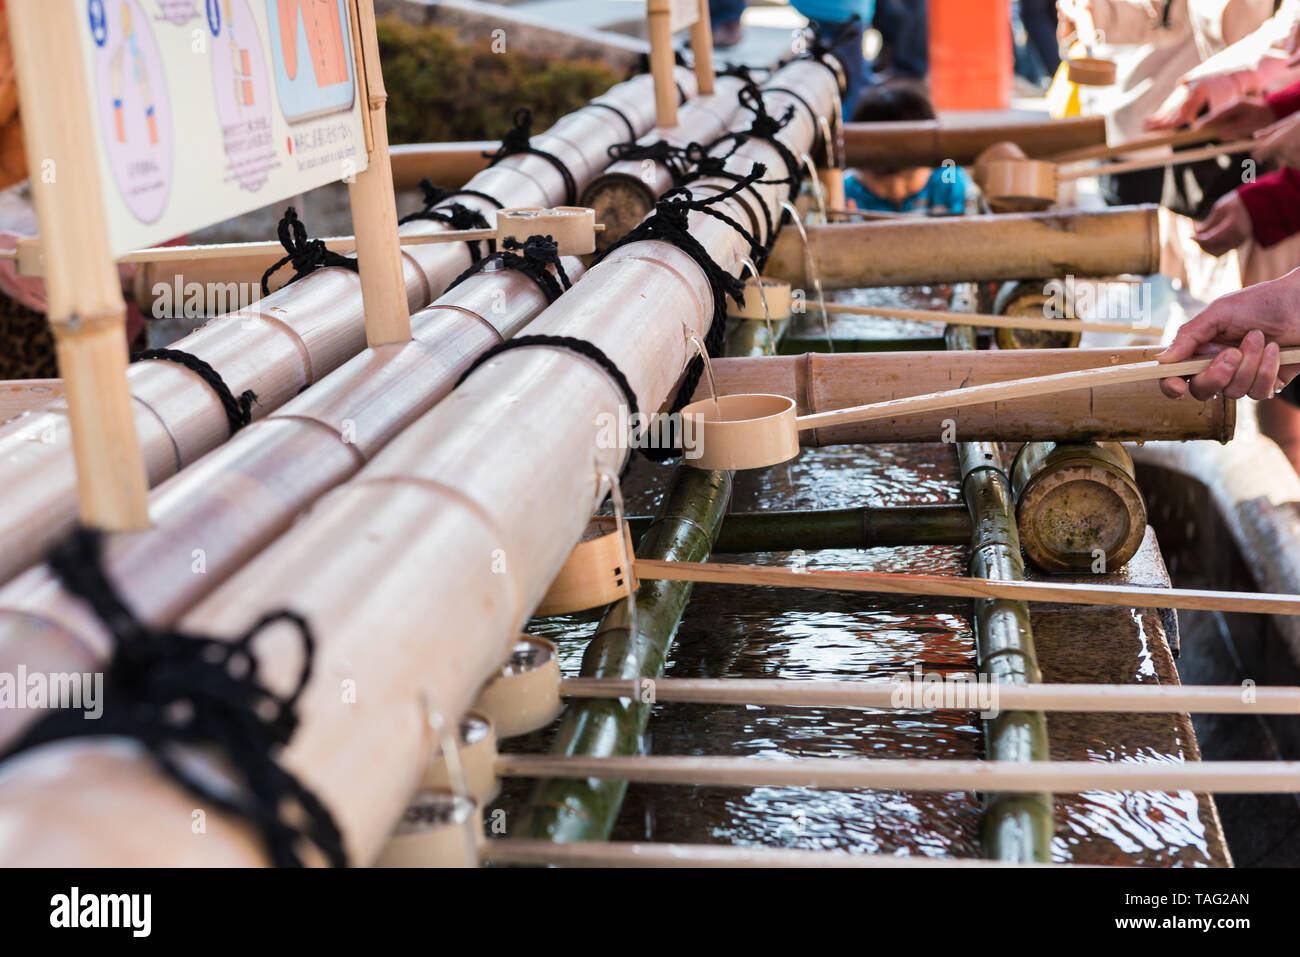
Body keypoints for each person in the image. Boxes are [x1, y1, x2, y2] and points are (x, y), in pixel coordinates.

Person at [843, 86, 973, 213]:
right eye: (880, 179)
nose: (897, 190)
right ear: (860, 170)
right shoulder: (844, 191)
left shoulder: (949, 181)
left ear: (933, 160)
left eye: (909, 177)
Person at [790, 2, 876, 116]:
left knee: (818, 67)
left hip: (813, 7)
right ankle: (847, 123)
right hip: (847, 11)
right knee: (855, 80)